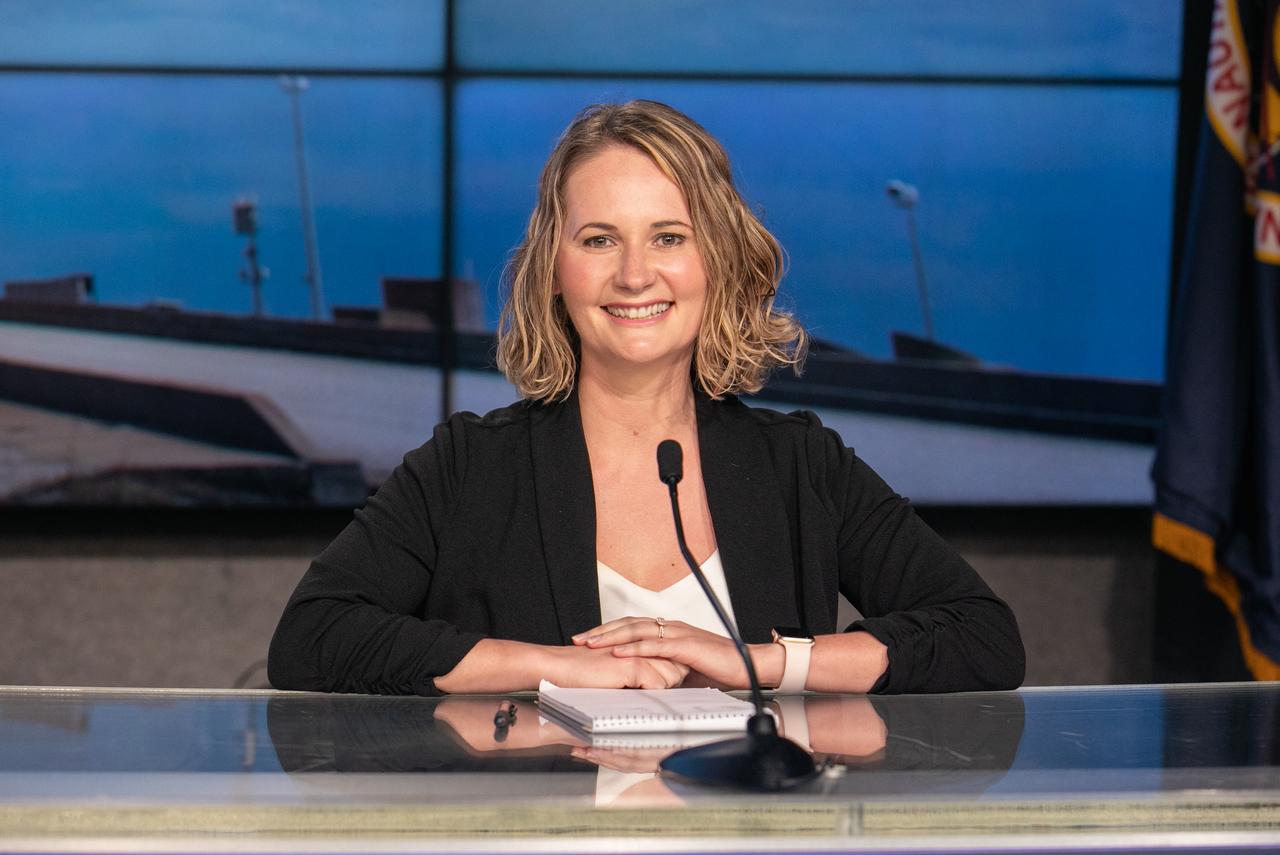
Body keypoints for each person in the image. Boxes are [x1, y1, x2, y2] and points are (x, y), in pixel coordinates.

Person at [268, 100, 1024, 696]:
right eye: (599, 239)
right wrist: (555, 666)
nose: (635, 275)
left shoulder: (800, 465)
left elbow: (981, 637)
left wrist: (759, 663)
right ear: (553, 270)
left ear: (719, 261)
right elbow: (313, 637)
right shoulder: (467, 464)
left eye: (668, 237)